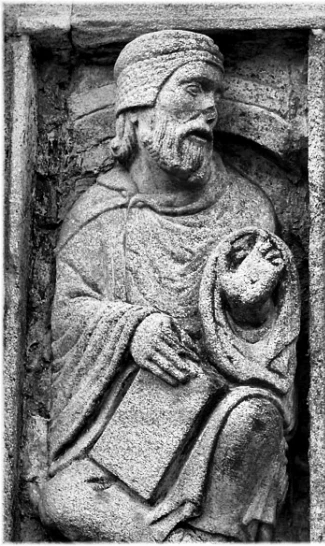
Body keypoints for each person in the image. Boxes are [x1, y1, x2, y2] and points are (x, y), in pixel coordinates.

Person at [40, 30, 300, 542]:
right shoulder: (98, 216)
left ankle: (198, 529)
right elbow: (68, 320)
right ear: (138, 109)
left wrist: (245, 309)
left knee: (254, 420)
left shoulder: (247, 212)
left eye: (215, 97)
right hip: (116, 441)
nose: (209, 110)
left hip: (212, 424)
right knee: (65, 498)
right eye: (193, 90)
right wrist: (133, 329)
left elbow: (270, 356)